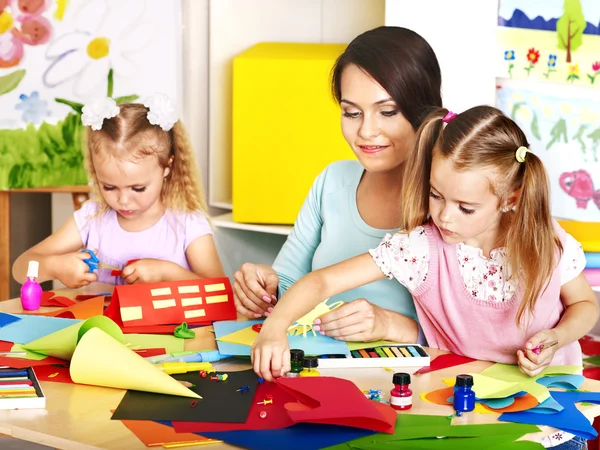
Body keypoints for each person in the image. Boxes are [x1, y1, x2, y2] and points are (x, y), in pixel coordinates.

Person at [252, 105, 598, 383]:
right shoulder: (419, 249)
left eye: (466, 207)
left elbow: (584, 304)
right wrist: (275, 328)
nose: (445, 216)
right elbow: (322, 280)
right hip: (465, 408)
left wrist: (558, 337)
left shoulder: (545, 240)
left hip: (554, 405)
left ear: (511, 199)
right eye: (435, 195)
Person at [233, 26, 442, 344]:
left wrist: (391, 325)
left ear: (425, 111)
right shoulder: (333, 180)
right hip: (317, 366)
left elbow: (477, 330)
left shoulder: (451, 203)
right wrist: (263, 288)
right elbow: (290, 283)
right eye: (352, 113)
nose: (366, 131)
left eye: (387, 112)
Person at [13, 94, 224, 288]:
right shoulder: (92, 218)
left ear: (167, 168)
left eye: (138, 188)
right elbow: (20, 268)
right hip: (102, 330)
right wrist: (54, 267)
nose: (123, 200)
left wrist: (168, 273)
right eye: (109, 187)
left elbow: (220, 292)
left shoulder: (187, 223)